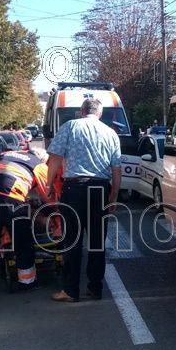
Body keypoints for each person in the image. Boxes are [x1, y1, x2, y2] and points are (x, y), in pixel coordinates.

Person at [47, 96, 121, 303]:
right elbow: (116, 169)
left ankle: (70, 291)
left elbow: (55, 159)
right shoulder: (111, 133)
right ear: (100, 113)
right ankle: (95, 289)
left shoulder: (70, 127)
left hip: (75, 189)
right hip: (100, 189)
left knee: (72, 241)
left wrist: (49, 183)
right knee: (97, 242)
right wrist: (114, 195)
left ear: (81, 111)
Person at [0, 148, 50, 295]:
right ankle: (27, 282)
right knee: (22, 238)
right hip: (10, 196)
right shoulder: (39, 164)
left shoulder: (4, 155)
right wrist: (51, 212)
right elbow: (47, 193)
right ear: (43, 159)